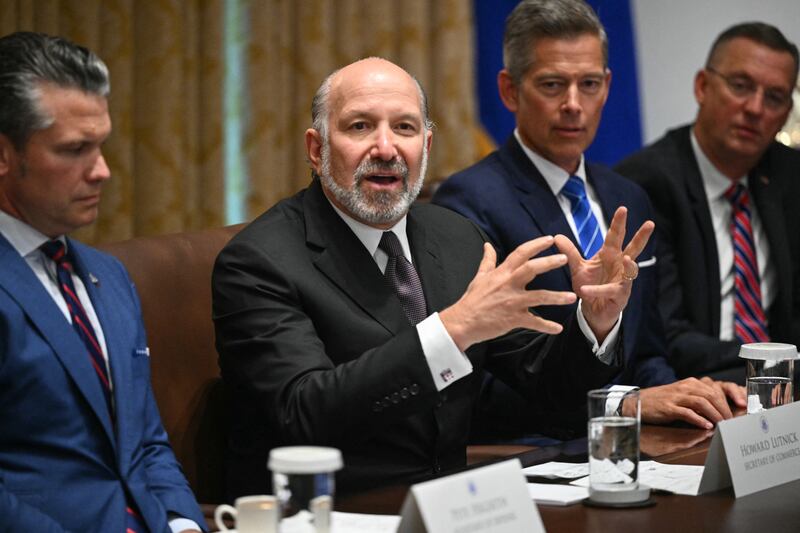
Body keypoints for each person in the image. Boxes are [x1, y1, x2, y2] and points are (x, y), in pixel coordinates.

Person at [212, 56, 653, 497]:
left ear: (425, 146)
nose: (385, 148)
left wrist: (595, 321)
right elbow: (304, 413)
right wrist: (452, 330)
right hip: (335, 511)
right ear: (317, 148)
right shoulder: (259, 261)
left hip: (455, 507)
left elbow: (550, 391)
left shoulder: (457, 238)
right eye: (360, 127)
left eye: (404, 128)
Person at [433, 0, 745, 438]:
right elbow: (478, 379)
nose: (574, 105)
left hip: (641, 443)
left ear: (608, 86)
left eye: (590, 84)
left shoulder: (628, 197)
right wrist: (625, 403)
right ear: (509, 91)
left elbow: (647, 352)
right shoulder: (468, 200)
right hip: (540, 452)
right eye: (553, 85)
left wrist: (691, 397)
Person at [0, 32, 204, 532]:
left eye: (102, 145)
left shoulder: (108, 276)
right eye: (75, 150)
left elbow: (145, 440)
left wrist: (183, 523)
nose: (102, 171)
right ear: (4, 154)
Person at [615, 22, 800, 382]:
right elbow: (665, 333)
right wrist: (773, 363)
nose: (755, 108)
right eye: (741, 86)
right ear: (703, 86)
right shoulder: (645, 184)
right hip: (697, 388)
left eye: (774, 97)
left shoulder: (791, 176)